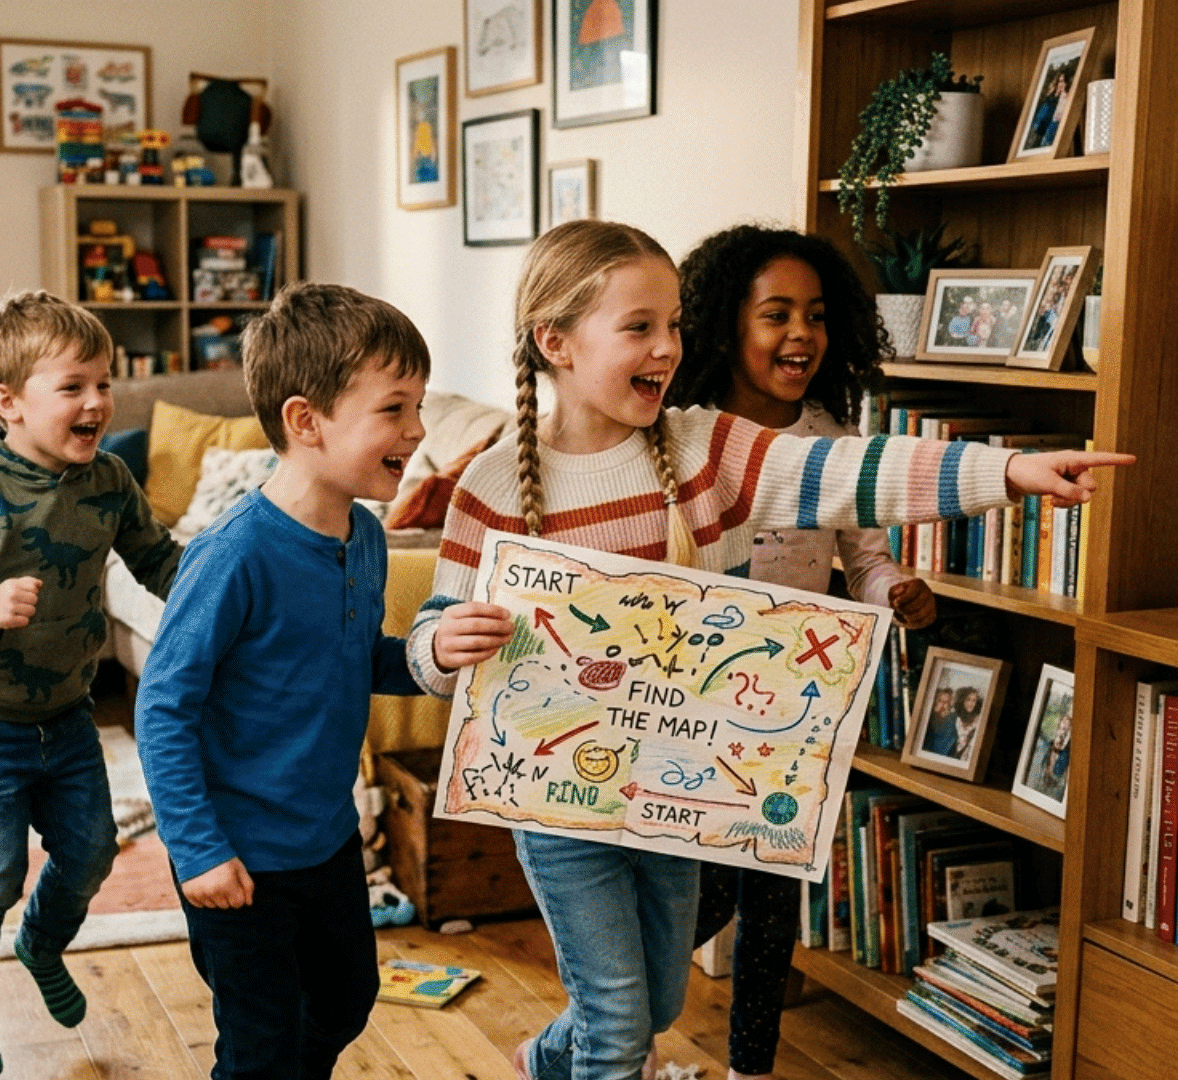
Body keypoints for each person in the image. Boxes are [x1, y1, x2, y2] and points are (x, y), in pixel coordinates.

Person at [407, 219, 1132, 1080]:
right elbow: (431, 639)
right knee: (619, 1034)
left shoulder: (706, 447)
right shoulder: (490, 488)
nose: (668, 347)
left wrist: (1003, 474)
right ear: (554, 341)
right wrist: (444, 646)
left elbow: (855, 472)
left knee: (660, 1003)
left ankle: (541, 1062)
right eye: (639, 327)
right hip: (561, 803)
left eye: (674, 324)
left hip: (682, 789)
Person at [664, 223, 941, 1080]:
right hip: (697, 696)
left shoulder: (832, 433)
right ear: (723, 328)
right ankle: (614, 1019)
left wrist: (892, 588)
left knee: (773, 894)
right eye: (775, 314)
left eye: (816, 316)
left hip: (800, 698)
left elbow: (862, 553)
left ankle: (752, 1066)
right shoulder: (685, 434)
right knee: (692, 889)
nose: (801, 335)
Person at [0, 290, 183, 1077]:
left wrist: (222, 593)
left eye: (104, 383)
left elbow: (159, 561)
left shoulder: (109, 479)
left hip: (66, 711)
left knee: (91, 852)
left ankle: (42, 944)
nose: (97, 402)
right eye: (74, 387)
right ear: (7, 403)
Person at [136, 283, 430, 1080]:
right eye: (395, 410)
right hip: (235, 853)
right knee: (260, 1041)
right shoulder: (232, 556)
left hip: (327, 839)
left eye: (420, 407)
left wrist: (436, 660)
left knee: (345, 999)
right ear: (306, 422)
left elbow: (356, 655)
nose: (418, 429)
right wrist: (196, 849)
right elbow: (163, 708)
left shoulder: (366, 538)